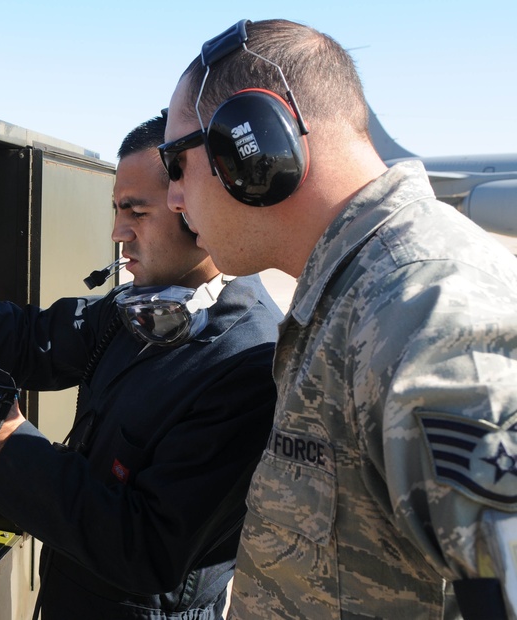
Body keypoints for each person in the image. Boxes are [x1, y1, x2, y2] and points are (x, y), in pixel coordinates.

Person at [162, 18, 517, 619]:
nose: (174, 196)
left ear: (253, 145)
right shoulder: (354, 295)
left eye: (176, 161)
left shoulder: (422, 312)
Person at [0, 115, 283, 619]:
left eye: (135, 211)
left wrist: (7, 434)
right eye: (116, 210)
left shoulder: (247, 365)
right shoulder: (140, 308)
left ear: (191, 210)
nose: (117, 232)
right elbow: (32, 340)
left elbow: (146, 547)